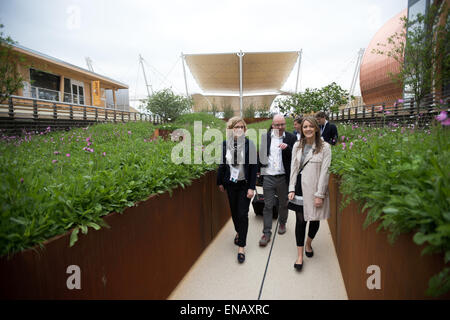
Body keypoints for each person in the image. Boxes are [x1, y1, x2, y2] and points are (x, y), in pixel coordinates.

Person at [288, 116, 332, 271]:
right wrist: (291, 188)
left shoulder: (325, 147)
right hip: (300, 188)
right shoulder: (296, 146)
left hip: (315, 189)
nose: (307, 129)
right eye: (305, 126)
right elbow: (294, 168)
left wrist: (320, 194)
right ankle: (300, 255)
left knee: (314, 220)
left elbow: (325, 172)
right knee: (300, 221)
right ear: (301, 129)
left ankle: (308, 243)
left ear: (316, 128)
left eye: (310, 126)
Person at [217, 117, 257, 263]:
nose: (239, 129)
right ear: (231, 129)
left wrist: (252, 187)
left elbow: (253, 168)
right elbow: (222, 164)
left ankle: (241, 246)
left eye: (241, 127)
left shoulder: (250, 145)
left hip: (244, 185)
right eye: (236, 127)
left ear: (244, 129)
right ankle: (239, 232)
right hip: (230, 184)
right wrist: (219, 182)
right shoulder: (224, 144)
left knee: (243, 213)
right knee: (234, 213)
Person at [257, 114, 297, 246]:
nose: (280, 127)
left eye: (282, 124)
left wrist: (288, 149)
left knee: (283, 203)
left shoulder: (291, 138)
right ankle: (266, 232)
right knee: (268, 206)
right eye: (277, 125)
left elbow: (296, 158)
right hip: (268, 176)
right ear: (272, 125)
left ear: (285, 124)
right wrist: (260, 174)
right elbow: (261, 157)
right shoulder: (265, 137)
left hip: (283, 178)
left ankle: (282, 223)